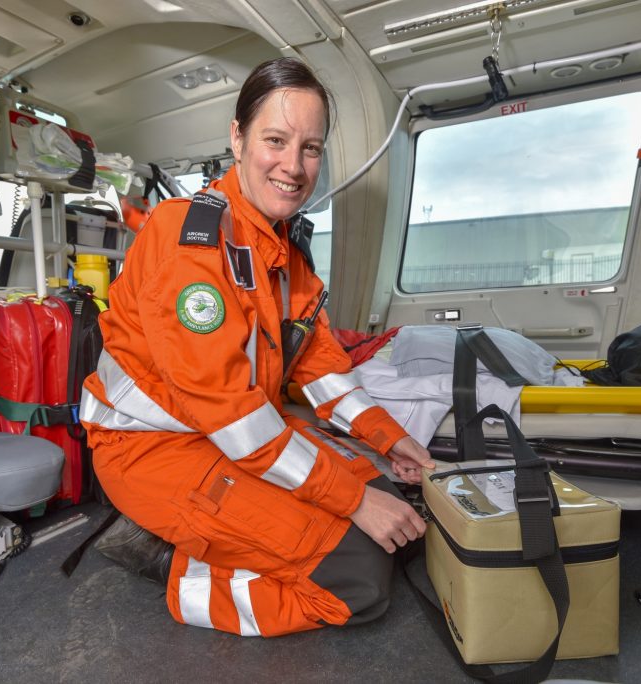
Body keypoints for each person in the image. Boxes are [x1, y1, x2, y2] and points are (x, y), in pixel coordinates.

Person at [80, 57, 434, 637]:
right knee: (358, 582)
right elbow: (231, 412)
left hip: (232, 439)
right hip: (151, 451)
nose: (293, 167)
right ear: (238, 138)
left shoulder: (285, 254)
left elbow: (322, 368)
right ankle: (172, 563)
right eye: (276, 140)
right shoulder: (189, 240)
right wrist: (346, 500)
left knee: (393, 514)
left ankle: (231, 538)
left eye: (311, 148)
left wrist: (389, 441)